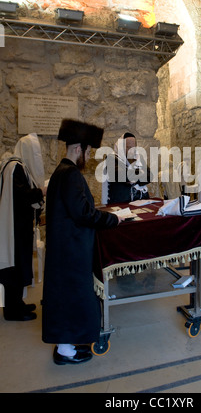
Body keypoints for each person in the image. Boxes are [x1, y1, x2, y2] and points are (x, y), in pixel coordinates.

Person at [42, 119, 121, 365]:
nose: (88, 156)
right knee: (71, 298)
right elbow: (83, 214)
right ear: (79, 149)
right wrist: (112, 219)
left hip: (64, 247)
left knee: (65, 297)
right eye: (88, 152)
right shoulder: (71, 174)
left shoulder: (60, 172)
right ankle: (65, 352)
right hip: (71, 250)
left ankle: (66, 346)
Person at [0, 133, 46, 321]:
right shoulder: (14, 167)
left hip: (20, 226)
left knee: (21, 265)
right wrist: (41, 192)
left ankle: (18, 303)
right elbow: (21, 195)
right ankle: (12, 311)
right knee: (15, 266)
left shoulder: (19, 167)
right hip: (14, 228)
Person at [102, 132, 152, 204]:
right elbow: (125, 177)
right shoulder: (111, 159)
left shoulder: (138, 157)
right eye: (129, 147)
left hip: (141, 202)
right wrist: (141, 173)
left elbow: (150, 176)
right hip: (121, 203)